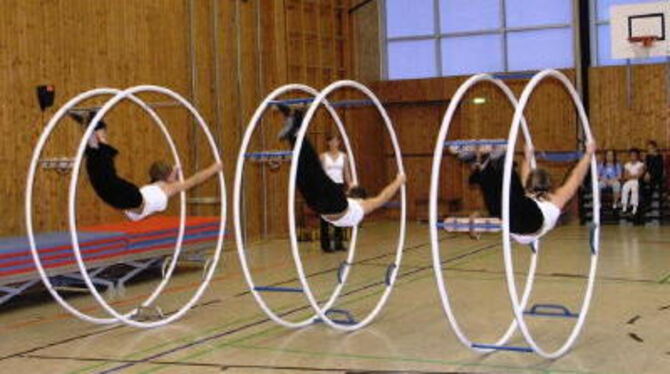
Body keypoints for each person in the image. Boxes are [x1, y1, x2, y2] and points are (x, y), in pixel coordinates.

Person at [71, 111, 222, 221]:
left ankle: (91, 126)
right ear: (168, 176)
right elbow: (195, 180)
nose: (176, 178)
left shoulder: (156, 184)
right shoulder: (168, 188)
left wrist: (175, 170)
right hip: (130, 199)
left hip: (127, 197)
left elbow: (168, 175)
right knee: (103, 173)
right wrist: (214, 169)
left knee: (99, 170)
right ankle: (96, 127)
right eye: (173, 175)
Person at [277, 104, 405, 232]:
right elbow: (383, 197)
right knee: (307, 170)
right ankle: (296, 125)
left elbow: (383, 197)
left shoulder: (360, 204)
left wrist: (399, 181)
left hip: (325, 205)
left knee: (303, 171)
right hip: (330, 206)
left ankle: (295, 128)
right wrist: (398, 182)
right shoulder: (362, 207)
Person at [452, 141, 596, 244]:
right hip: (519, 221)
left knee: (507, 195)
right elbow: (576, 178)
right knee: (504, 198)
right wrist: (588, 156)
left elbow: (575, 177)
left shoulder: (544, 196)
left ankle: (492, 165)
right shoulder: (556, 199)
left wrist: (588, 155)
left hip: (527, 221)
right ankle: (486, 166)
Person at [319, 135, 353, 252]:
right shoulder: (323, 157)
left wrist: (350, 186)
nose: (334, 143)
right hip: (327, 187)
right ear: (328, 143)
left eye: (336, 141)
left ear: (339, 142)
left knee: (340, 214)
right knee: (325, 215)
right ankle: (326, 245)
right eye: (331, 141)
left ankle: (339, 242)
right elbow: (321, 174)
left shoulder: (344, 156)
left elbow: (346, 173)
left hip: (339, 186)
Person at [621, 148, 645, 216]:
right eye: (631, 155)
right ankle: (624, 206)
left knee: (634, 189)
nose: (633, 156)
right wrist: (633, 176)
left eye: (634, 155)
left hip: (636, 181)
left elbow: (639, 175)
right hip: (629, 181)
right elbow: (625, 176)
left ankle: (634, 208)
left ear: (637, 156)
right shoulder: (627, 165)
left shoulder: (640, 164)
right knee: (625, 188)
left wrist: (632, 176)